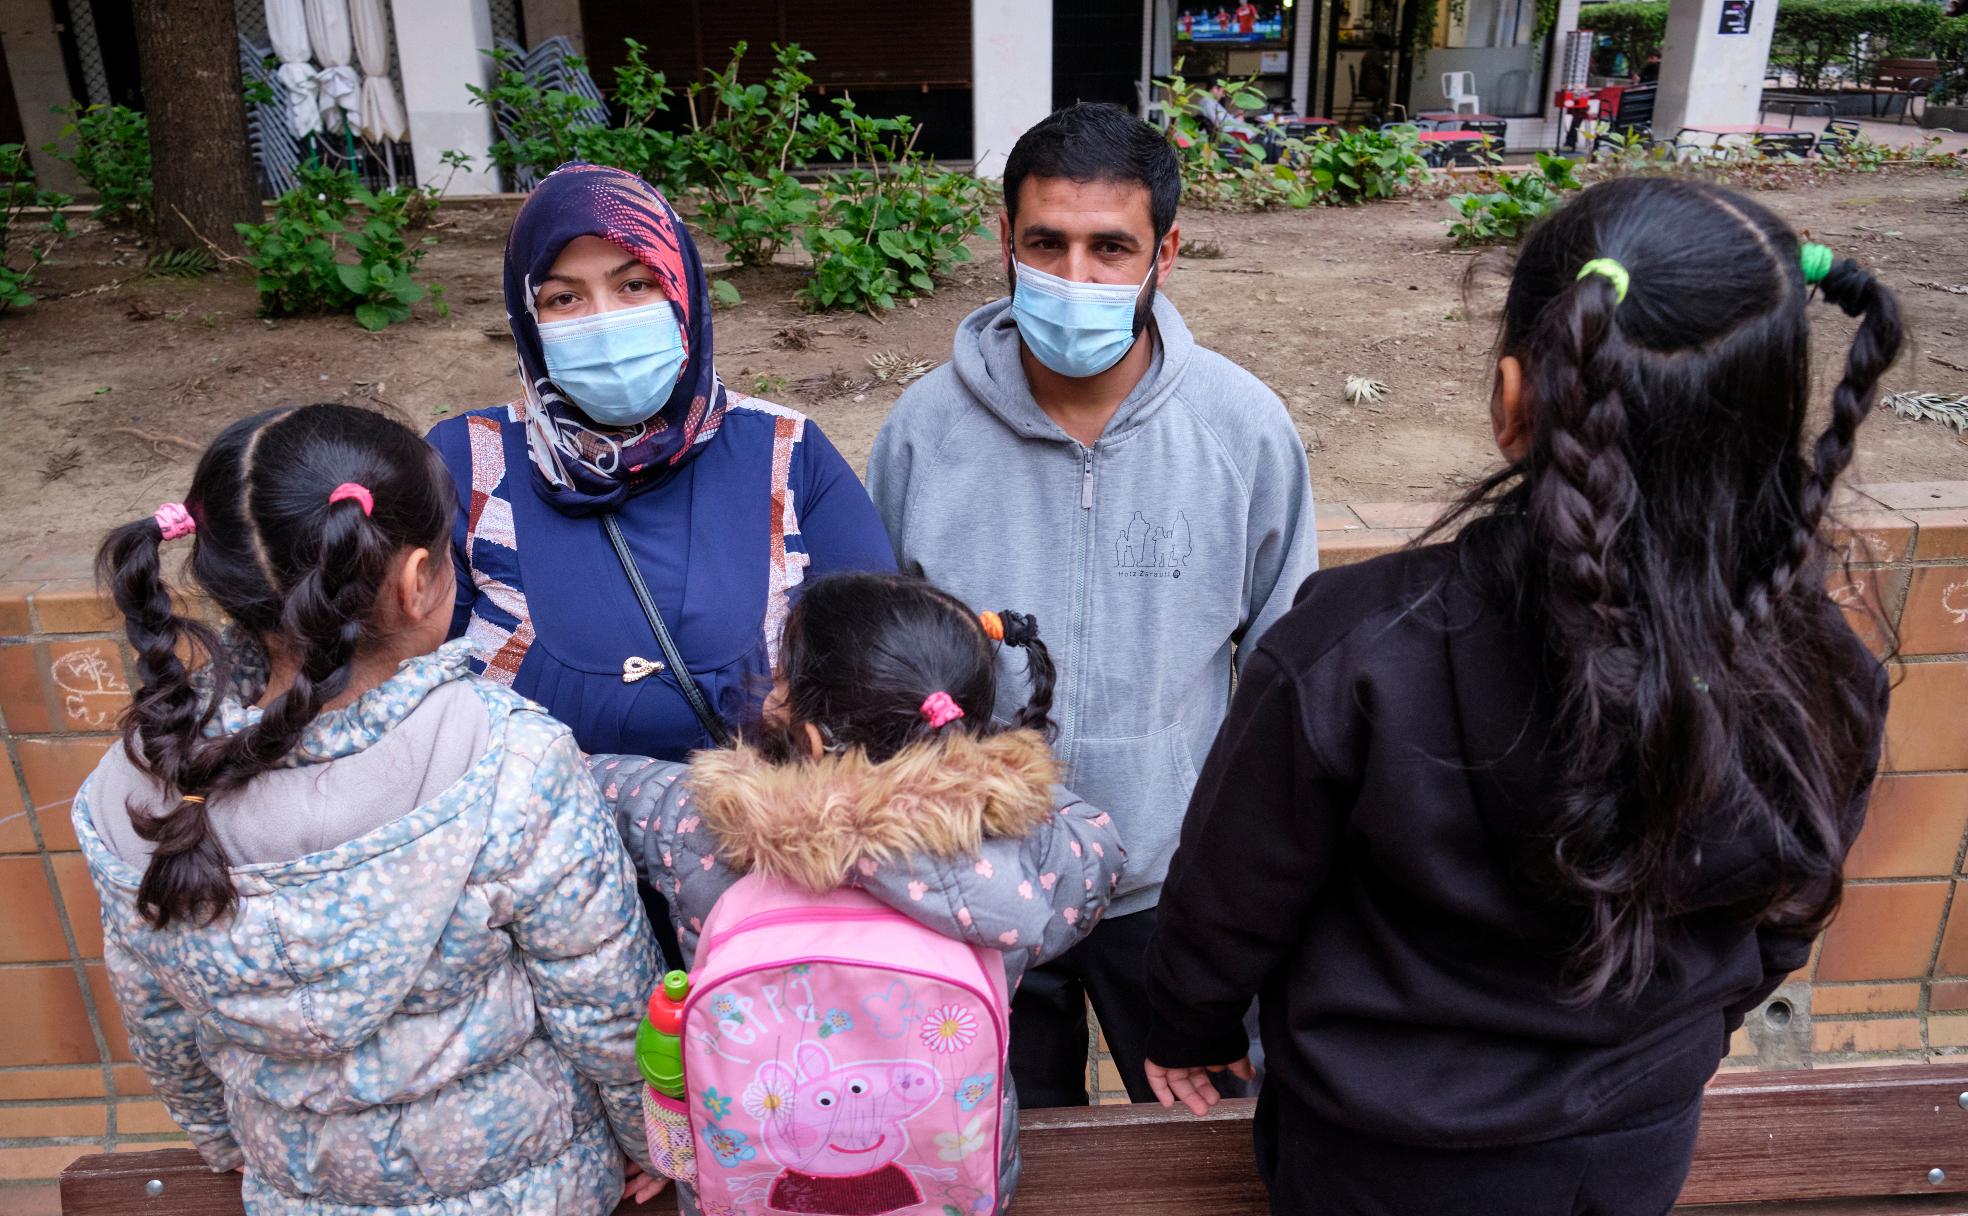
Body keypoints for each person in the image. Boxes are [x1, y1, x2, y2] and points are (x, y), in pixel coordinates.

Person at [1144, 177, 1901, 1215]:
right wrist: (1679, 1039)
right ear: (1774, 415)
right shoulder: (1828, 671)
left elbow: (1231, 893)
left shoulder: (1354, 648)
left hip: (1378, 1158)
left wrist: (1188, 1029)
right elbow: (1784, 914)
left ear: (1514, 400)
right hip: (1635, 1145)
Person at [75, 403, 664, 1214]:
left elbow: (159, 1020)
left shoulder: (138, 786)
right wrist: (650, 1140)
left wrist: (222, 1142)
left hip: (296, 1192)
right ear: (418, 580)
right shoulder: (506, 757)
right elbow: (604, 1004)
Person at [865, 102, 1319, 1107]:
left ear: (1167, 249)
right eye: (1047, 244)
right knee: (1010, 1164)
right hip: (977, 885)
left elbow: (1292, 680)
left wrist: (1255, 885)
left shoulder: (1242, 430)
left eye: (1111, 247)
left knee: (1213, 1154)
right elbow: (876, 670)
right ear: (1004, 244)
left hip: (1174, 890)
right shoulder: (924, 434)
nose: (1076, 277)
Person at [593, 572, 1125, 1213]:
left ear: (812, 739)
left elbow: (591, 783)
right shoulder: (1015, 853)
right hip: (946, 1190)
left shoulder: (700, 823)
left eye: (783, 675)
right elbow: (1100, 847)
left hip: (748, 1189)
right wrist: (993, 782)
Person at [429, 162, 895, 763]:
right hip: (531, 849)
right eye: (564, 297)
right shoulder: (464, 460)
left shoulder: (787, 450)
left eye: (635, 285)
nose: (604, 320)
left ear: (682, 288)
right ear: (528, 319)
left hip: (761, 846)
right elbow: (396, 683)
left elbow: (876, 671)